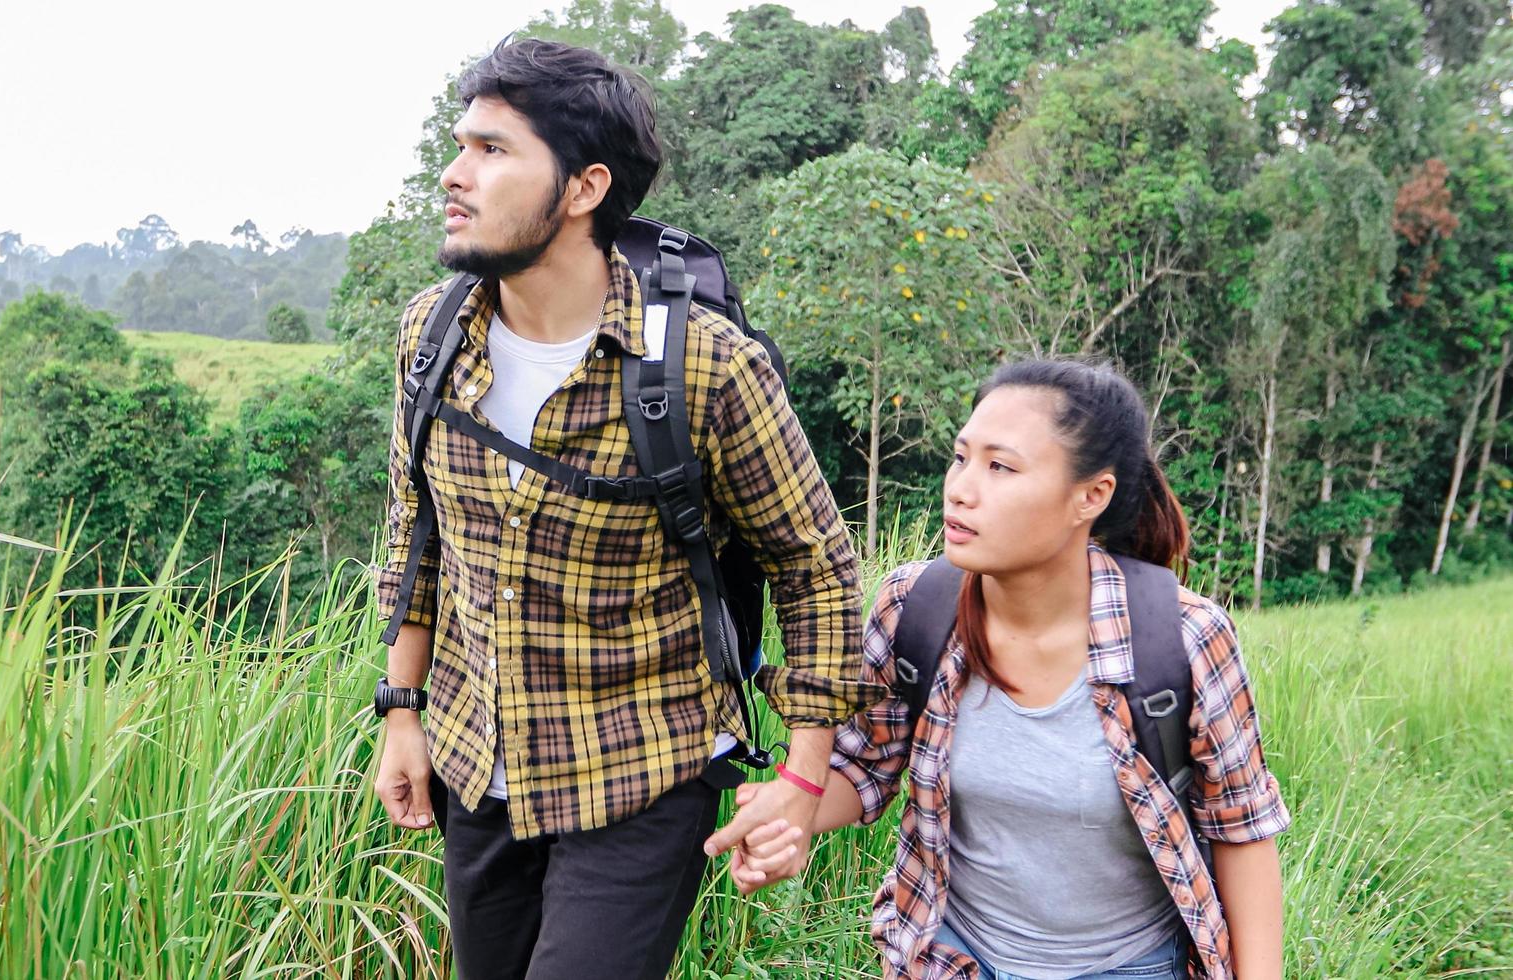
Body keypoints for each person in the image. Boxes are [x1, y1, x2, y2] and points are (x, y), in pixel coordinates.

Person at [367, 38, 876, 980]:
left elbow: (814, 569)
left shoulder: (703, 365)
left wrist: (804, 779)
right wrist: (403, 710)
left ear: (583, 187)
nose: (454, 173)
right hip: (477, 758)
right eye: (459, 145)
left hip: (639, 770)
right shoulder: (431, 334)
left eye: (491, 150)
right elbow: (414, 530)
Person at [721, 360, 1289, 979]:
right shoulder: (916, 608)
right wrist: (789, 813)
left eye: (1001, 466)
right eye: (961, 457)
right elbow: (864, 768)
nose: (961, 488)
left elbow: (1241, 832)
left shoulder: (1182, 638)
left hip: (1130, 965)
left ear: (1091, 496)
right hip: (954, 957)